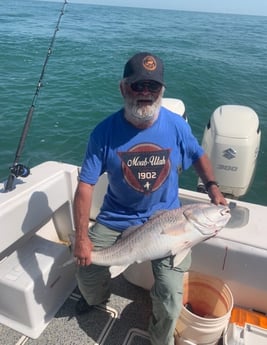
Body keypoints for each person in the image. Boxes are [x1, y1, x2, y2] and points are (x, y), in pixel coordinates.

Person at [73, 52, 227, 345]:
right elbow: (85, 186)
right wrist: (82, 237)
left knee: (170, 295)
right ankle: (95, 299)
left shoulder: (176, 125)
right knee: (87, 267)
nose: (145, 93)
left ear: (161, 91)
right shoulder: (103, 133)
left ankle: (160, 340)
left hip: (166, 220)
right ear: (123, 87)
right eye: (137, 85)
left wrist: (214, 190)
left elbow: (197, 155)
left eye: (152, 87)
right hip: (116, 217)